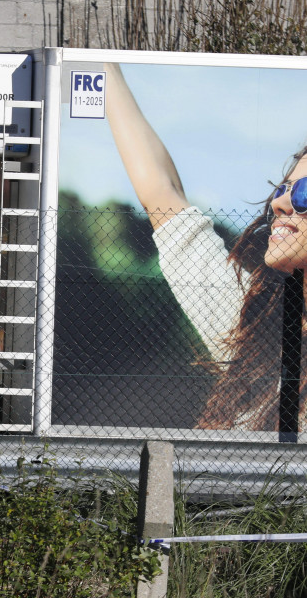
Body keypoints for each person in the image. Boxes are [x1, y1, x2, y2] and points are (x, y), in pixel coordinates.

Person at [105, 62, 307, 431]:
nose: (279, 204)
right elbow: (163, 196)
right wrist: (104, 66)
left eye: (304, 191)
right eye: (282, 188)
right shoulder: (254, 329)